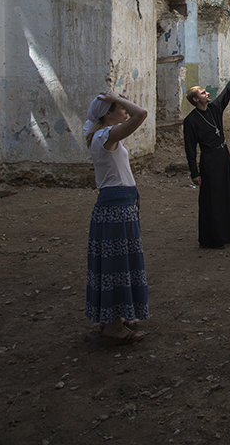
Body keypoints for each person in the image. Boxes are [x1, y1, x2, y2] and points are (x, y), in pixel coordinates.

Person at [83, 90, 149, 344]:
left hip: (119, 204)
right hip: (115, 210)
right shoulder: (105, 137)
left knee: (121, 264)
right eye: (118, 107)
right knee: (116, 265)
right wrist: (118, 98)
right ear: (108, 113)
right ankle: (112, 325)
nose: (123, 110)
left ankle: (118, 317)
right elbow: (140, 114)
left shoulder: (104, 137)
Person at [183, 55, 230, 248]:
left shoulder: (214, 108)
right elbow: (190, 148)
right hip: (209, 160)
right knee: (213, 198)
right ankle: (212, 238)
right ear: (196, 99)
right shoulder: (191, 121)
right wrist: (194, 173)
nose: (208, 94)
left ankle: (228, 232)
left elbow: (227, 92)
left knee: (228, 193)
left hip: (224, 156)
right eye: (204, 93)